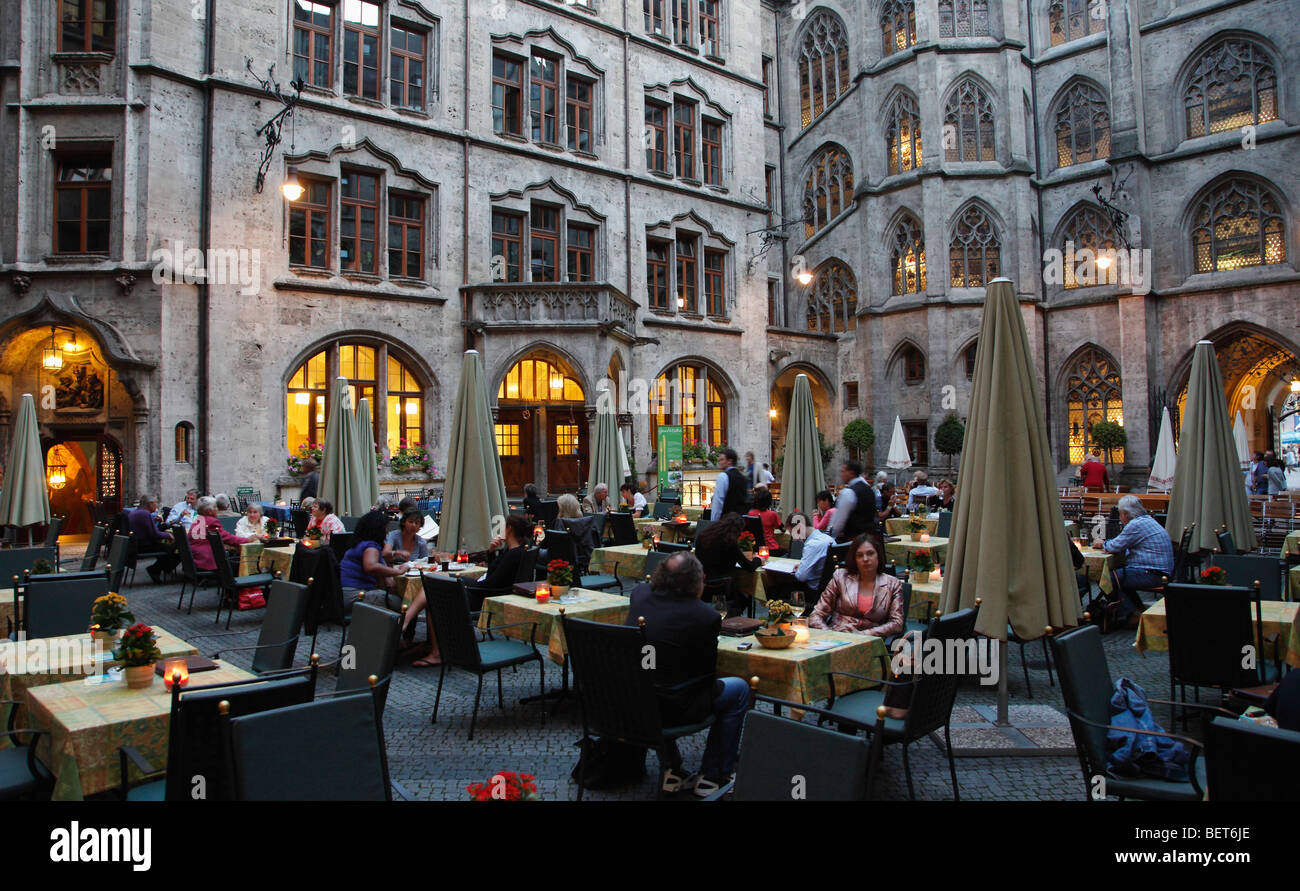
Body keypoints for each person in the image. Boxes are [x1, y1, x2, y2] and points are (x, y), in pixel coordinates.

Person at [626, 552, 750, 797]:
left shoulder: (639, 594)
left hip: (629, 702)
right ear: (697, 582)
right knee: (739, 689)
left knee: (654, 682)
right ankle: (714, 774)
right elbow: (706, 676)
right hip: (670, 708)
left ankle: (672, 769)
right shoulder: (705, 616)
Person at [1092, 494, 1174, 628]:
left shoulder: (1136, 525)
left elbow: (1114, 546)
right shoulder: (1147, 520)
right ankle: (1138, 609)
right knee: (1119, 577)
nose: (1120, 517)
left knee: (1106, 578)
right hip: (1161, 571)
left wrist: (1101, 543)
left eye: (1120, 514)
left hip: (1152, 574)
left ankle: (1131, 612)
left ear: (1125, 513)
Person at [809, 532, 905, 637]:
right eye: (859, 555)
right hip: (837, 636)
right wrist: (829, 634)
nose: (865, 559)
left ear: (878, 555)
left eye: (870, 553)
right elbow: (816, 614)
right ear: (854, 559)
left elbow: (897, 623)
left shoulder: (893, 584)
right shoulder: (840, 577)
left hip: (869, 642)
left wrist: (863, 634)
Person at [694, 512, 762, 617]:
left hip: (702, 584)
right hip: (722, 586)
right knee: (743, 600)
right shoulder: (729, 542)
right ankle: (727, 619)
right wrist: (758, 559)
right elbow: (749, 567)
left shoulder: (703, 536)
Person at [186, 496, 255, 572]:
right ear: (209, 511)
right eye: (215, 507)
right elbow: (228, 538)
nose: (217, 509)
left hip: (196, 556)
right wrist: (248, 539)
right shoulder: (211, 521)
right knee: (240, 560)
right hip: (207, 559)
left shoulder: (198, 518)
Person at [129, 495, 178, 583]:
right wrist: (169, 535)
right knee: (172, 548)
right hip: (143, 545)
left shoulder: (137, 512)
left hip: (137, 543)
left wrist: (154, 521)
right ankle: (156, 569)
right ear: (150, 504)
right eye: (155, 503)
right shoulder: (145, 514)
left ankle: (163, 568)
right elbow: (154, 533)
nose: (156, 505)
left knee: (167, 547)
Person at [477, 514, 532, 589]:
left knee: (457, 582)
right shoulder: (514, 550)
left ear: (509, 529)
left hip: (492, 592)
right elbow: (492, 575)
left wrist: (466, 584)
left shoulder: (513, 554)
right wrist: (491, 551)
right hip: (494, 589)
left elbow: (492, 582)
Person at [830, 461, 880, 542]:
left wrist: (831, 533)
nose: (841, 474)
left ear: (851, 473)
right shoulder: (868, 489)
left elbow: (839, 521)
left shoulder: (848, 492)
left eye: (843, 471)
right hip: (870, 537)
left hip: (853, 539)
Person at [709, 448, 749, 521]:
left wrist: (714, 521)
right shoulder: (743, 478)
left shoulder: (723, 476)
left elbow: (718, 502)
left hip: (726, 522)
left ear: (729, 461)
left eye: (722, 460)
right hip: (739, 522)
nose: (719, 462)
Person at [746, 487, 784, 556]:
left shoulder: (750, 514)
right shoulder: (772, 514)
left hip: (755, 547)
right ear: (769, 501)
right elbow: (782, 528)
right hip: (771, 548)